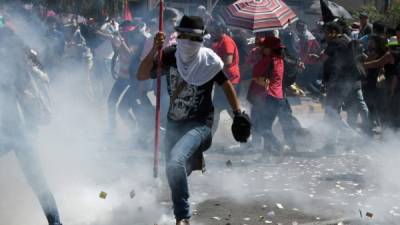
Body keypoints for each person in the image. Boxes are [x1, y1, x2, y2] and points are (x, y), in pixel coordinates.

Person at [137, 15, 251, 225]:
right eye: (184, 36)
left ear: (202, 40)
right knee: (174, 171)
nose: (188, 41)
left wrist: (237, 113)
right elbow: (142, 75)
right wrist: (155, 48)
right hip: (174, 125)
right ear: (177, 36)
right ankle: (193, 163)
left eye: (193, 38)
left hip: (200, 126)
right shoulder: (170, 55)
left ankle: (183, 217)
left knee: (175, 163)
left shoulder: (209, 60)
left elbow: (226, 85)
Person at [0, 27, 62, 225]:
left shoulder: (9, 68)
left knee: (38, 181)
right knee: (38, 182)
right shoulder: (27, 61)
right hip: (26, 131)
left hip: (14, 131)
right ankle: (56, 223)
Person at [248, 36, 285, 154]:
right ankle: (266, 154)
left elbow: (255, 75)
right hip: (278, 97)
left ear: (270, 49)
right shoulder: (280, 60)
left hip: (268, 96)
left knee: (262, 127)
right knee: (267, 126)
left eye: (264, 47)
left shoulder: (268, 60)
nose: (262, 49)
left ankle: (278, 146)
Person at [209, 22, 241, 135]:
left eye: (213, 31)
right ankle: (208, 138)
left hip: (230, 82)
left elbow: (228, 62)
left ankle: (246, 135)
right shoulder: (217, 42)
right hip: (222, 82)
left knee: (231, 111)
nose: (211, 34)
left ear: (220, 31)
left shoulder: (227, 42)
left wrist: (212, 70)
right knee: (218, 111)